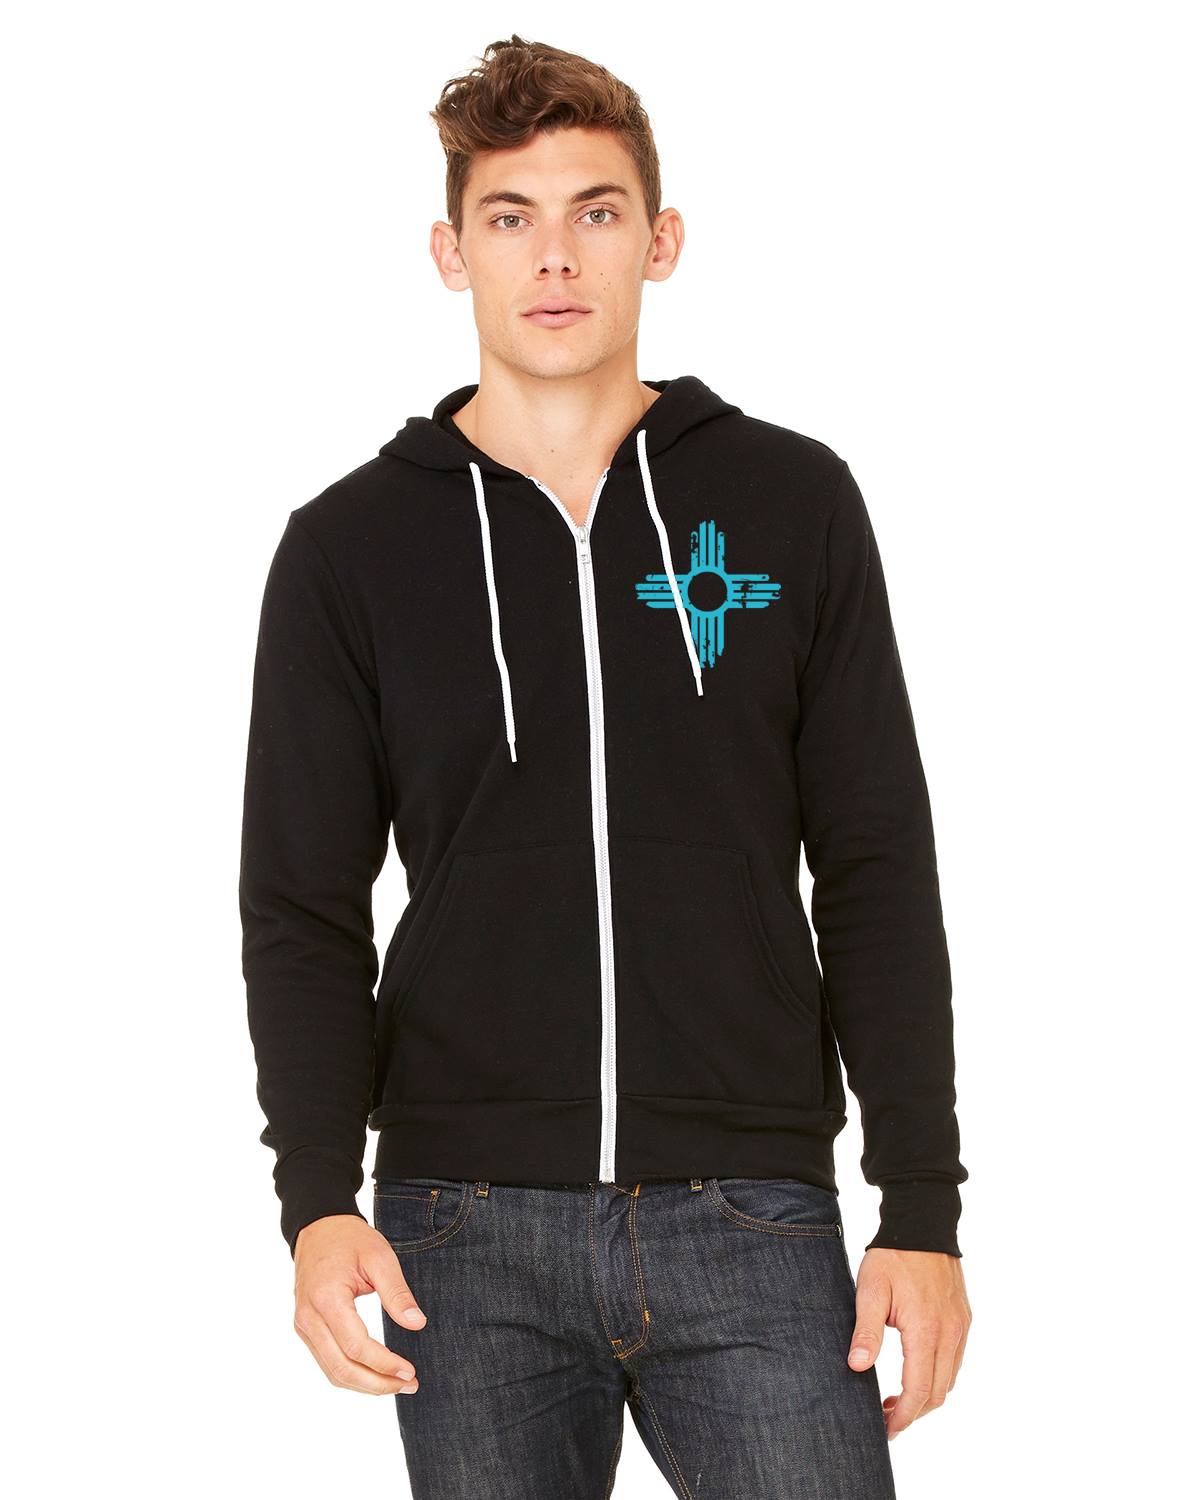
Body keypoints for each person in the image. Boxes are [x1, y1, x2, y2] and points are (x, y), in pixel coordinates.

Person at [239, 33, 971, 1500]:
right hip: (461, 1229)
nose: (555, 257)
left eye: (596, 211)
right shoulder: (349, 548)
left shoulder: (789, 500)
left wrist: (921, 1207)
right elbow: (303, 905)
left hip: (751, 1212)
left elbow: (875, 858)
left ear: (661, 238)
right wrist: (316, 1198)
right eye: (510, 217)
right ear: (450, 251)